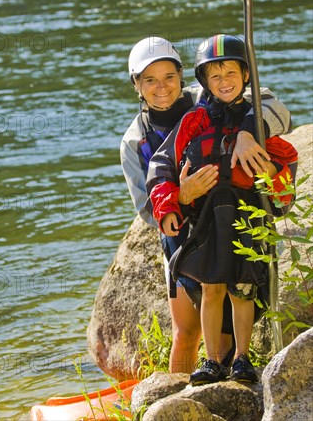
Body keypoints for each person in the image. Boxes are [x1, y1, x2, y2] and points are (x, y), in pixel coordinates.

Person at [120, 35, 292, 374]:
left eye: (169, 76)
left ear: (184, 77)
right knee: (186, 329)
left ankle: (232, 369)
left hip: (231, 217)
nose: (161, 87)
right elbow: (146, 210)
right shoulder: (134, 141)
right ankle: (177, 395)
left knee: (236, 304)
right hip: (185, 231)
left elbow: (276, 108)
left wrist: (246, 132)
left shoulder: (208, 95)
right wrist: (181, 196)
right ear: (136, 84)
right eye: (149, 79)